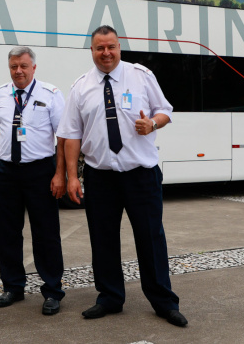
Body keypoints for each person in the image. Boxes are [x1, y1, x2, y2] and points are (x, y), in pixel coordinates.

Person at [57, 25, 188, 327]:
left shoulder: (140, 75)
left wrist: (152, 124)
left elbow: (165, 110)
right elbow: (71, 135)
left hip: (140, 175)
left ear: (119, 47)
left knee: (150, 238)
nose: (106, 53)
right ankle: (110, 298)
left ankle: (163, 301)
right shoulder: (81, 86)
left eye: (111, 47)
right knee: (102, 240)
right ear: (91, 51)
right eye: (99, 48)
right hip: (100, 177)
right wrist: (73, 176)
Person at [0, 46, 66, 315]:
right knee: (8, 232)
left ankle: (52, 290)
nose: (18, 71)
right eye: (13, 66)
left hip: (40, 172)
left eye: (23, 66)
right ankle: (13, 287)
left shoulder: (50, 94)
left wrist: (60, 173)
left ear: (34, 67)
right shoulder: (0, 93)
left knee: (46, 234)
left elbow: (63, 137)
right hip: (8, 172)